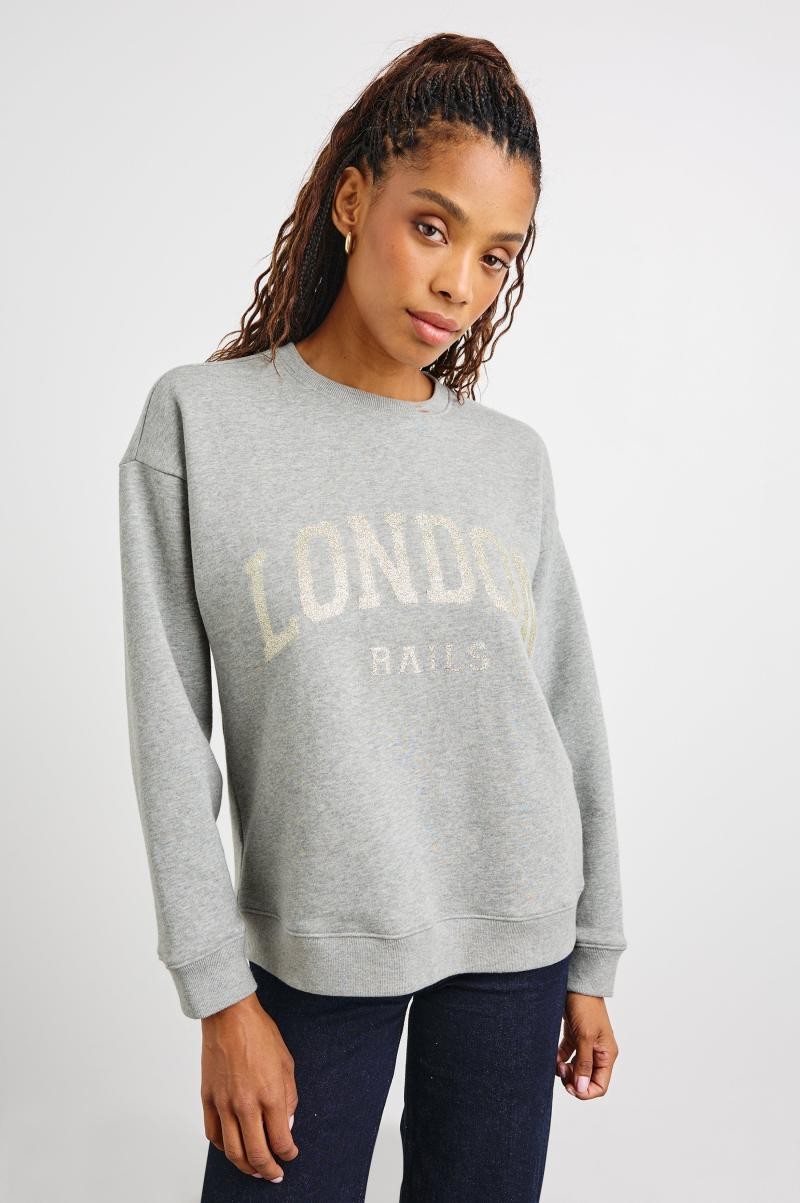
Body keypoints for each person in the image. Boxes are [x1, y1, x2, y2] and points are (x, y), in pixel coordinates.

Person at [118, 32, 627, 1202]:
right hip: (313, 949)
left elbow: (566, 710)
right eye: (433, 228)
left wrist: (592, 952)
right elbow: (166, 734)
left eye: (495, 256)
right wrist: (219, 995)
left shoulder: (508, 460)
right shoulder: (198, 425)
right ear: (353, 201)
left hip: (517, 941)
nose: (459, 286)